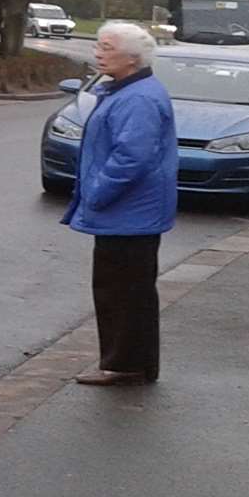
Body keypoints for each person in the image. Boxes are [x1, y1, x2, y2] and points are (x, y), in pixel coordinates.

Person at [62, 21, 177, 386]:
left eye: (107, 47)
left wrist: (96, 193)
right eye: (99, 45)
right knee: (127, 292)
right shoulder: (127, 90)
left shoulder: (138, 97)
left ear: (132, 58)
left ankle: (125, 365)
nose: (98, 53)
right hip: (131, 213)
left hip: (129, 214)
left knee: (123, 294)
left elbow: (132, 157)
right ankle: (130, 363)